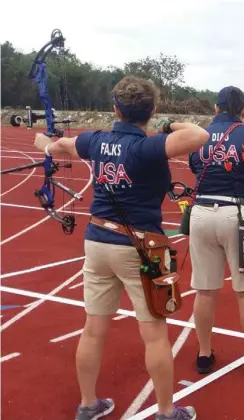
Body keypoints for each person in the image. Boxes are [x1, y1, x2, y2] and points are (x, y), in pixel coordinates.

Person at [33, 76, 209, 420]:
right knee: (155, 334)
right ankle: (166, 412)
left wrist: (44, 143)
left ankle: (87, 405)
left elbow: (63, 147)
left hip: (98, 241)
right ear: (151, 111)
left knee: (93, 328)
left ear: (115, 109)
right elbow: (199, 135)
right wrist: (169, 123)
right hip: (140, 247)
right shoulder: (147, 146)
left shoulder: (95, 141)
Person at [188, 86, 244, 379]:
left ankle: (204, 354)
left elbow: (195, 168)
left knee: (204, 290)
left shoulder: (199, 135)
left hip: (201, 213)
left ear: (215, 109)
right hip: (240, 214)